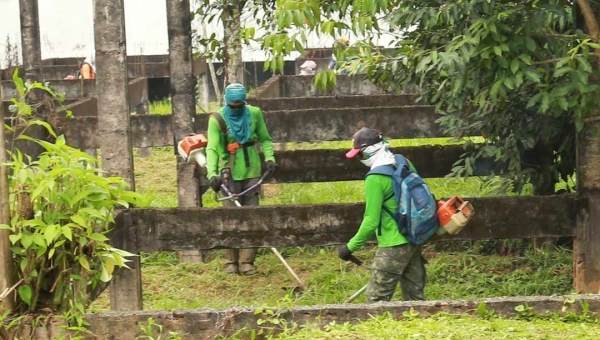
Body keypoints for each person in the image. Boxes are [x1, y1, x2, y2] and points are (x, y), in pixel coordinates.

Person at [339, 127, 427, 302]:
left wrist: (349, 247)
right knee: (415, 299)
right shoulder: (404, 162)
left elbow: (371, 221)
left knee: (375, 300)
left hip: (393, 243)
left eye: (360, 154)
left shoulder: (375, 178)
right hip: (414, 237)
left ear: (368, 151)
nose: (359, 159)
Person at [206, 83, 278, 276]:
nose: (237, 108)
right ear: (227, 103)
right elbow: (212, 148)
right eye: (233, 105)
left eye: (240, 105)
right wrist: (212, 173)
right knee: (230, 217)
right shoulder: (217, 119)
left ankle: (247, 262)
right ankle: (231, 261)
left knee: (252, 216)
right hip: (228, 171)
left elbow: (265, 138)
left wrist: (270, 158)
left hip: (252, 170)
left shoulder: (254, 113)